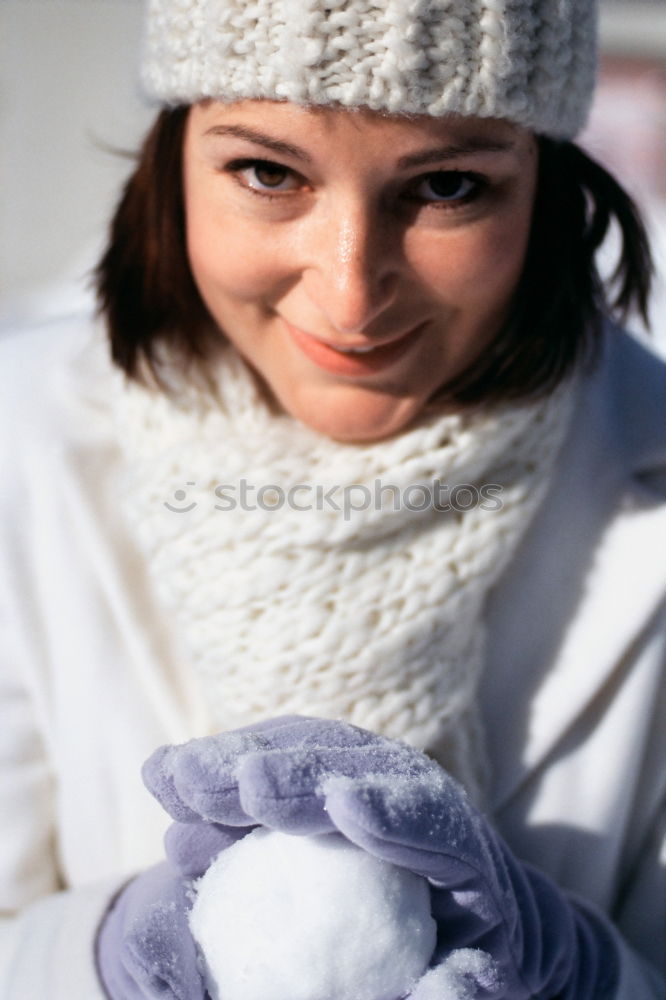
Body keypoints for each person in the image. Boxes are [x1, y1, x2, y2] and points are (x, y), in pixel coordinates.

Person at [0, 0, 664, 997]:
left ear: (548, 183)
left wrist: (576, 974)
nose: (352, 294)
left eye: (448, 185)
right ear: (173, 160)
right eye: (269, 173)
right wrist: (95, 958)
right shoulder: (19, 445)